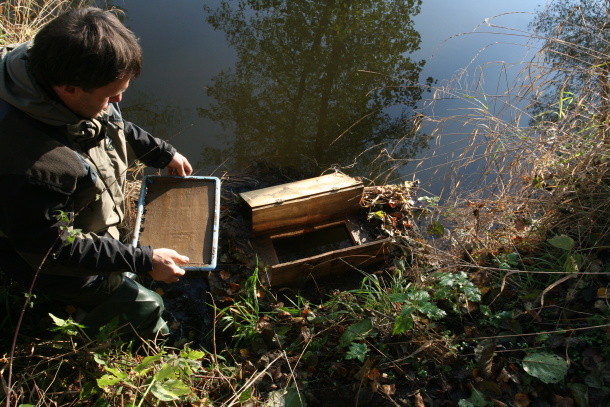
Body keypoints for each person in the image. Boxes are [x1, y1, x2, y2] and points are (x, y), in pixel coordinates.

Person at [0, 7, 194, 338]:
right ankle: (120, 335)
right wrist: (144, 260)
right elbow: (53, 249)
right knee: (146, 305)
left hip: (69, 222)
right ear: (68, 89)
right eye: (110, 95)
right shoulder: (32, 165)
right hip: (42, 259)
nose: (118, 99)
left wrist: (162, 152)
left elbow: (110, 125)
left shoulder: (62, 71)